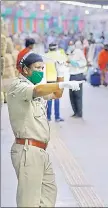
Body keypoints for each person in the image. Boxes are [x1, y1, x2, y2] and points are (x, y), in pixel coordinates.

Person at [7, 52, 83, 207]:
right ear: (26, 70)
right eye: (37, 68)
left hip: (41, 151)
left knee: (48, 195)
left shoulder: (35, 86)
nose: (40, 71)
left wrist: (60, 75)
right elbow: (39, 91)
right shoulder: (18, 86)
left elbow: (56, 93)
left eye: (42, 68)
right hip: (28, 150)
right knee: (29, 201)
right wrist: (60, 84)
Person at [45, 43, 68, 122]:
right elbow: (66, 59)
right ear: (56, 48)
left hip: (48, 79)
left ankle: (48, 117)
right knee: (57, 98)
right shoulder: (59, 55)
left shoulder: (46, 55)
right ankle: (57, 117)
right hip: (57, 79)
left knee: (49, 98)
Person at [67, 41, 87, 118]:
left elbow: (84, 62)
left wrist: (73, 62)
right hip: (71, 75)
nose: (70, 46)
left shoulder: (78, 52)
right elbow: (69, 63)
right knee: (71, 95)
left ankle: (79, 113)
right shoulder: (69, 53)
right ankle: (75, 111)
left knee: (78, 95)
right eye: (69, 45)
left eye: (71, 44)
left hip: (78, 75)